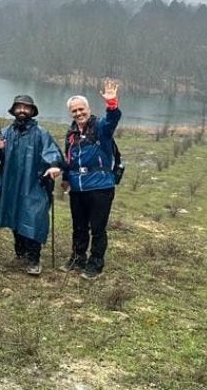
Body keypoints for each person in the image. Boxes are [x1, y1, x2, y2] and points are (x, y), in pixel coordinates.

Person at [0, 95, 65, 275]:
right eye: (19, 107)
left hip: (34, 184)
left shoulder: (41, 133)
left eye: (26, 107)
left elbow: (52, 152)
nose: (22, 110)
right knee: (14, 215)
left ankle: (34, 259)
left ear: (32, 111)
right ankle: (20, 253)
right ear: (14, 110)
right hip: (11, 183)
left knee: (33, 218)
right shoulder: (6, 132)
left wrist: (54, 165)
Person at [62, 79, 122, 279]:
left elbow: (112, 120)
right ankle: (77, 259)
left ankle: (95, 264)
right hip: (77, 188)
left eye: (81, 109)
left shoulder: (101, 128)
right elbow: (68, 159)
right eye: (74, 111)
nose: (78, 113)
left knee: (97, 228)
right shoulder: (71, 134)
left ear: (88, 109)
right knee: (78, 227)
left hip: (100, 186)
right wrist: (65, 178)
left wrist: (111, 104)